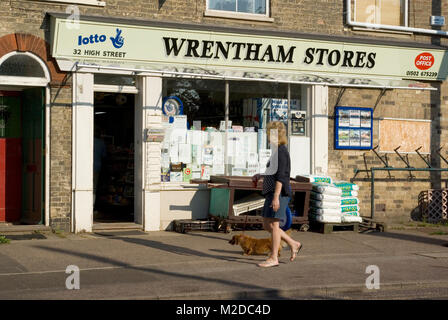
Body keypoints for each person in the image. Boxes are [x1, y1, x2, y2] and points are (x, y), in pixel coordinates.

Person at [252, 121, 302, 268]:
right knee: (267, 224)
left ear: (276, 135)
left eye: (270, 134)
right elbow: (274, 173)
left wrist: (276, 197)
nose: (268, 137)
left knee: (274, 225)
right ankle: (293, 243)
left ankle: (274, 257)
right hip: (271, 192)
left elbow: (281, 177)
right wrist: (260, 175)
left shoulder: (281, 152)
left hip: (278, 193)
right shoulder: (276, 152)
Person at [93, 127, 107, 208]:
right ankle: (92, 206)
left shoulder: (87, 140)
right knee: (94, 187)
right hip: (97, 167)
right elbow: (104, 156)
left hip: (85, 167)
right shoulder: (101, 143)